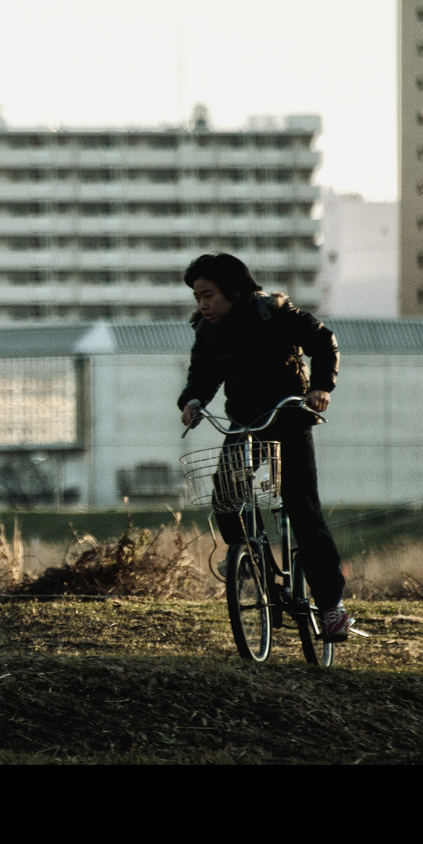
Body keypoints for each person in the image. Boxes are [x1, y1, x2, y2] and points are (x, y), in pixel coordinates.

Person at [177, 252, 352, 642]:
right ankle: (248, 554)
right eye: (197, 297)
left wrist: (321, 387)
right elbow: (202, 374)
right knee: (225, 496)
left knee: (303, 512)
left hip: (288, 421)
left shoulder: (275, 314)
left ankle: (331, 608)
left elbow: (324, 343)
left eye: (208, 295)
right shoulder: (209, 330)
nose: (203, 304)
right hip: (243, 423)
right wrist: (191, 402)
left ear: (233, 289)